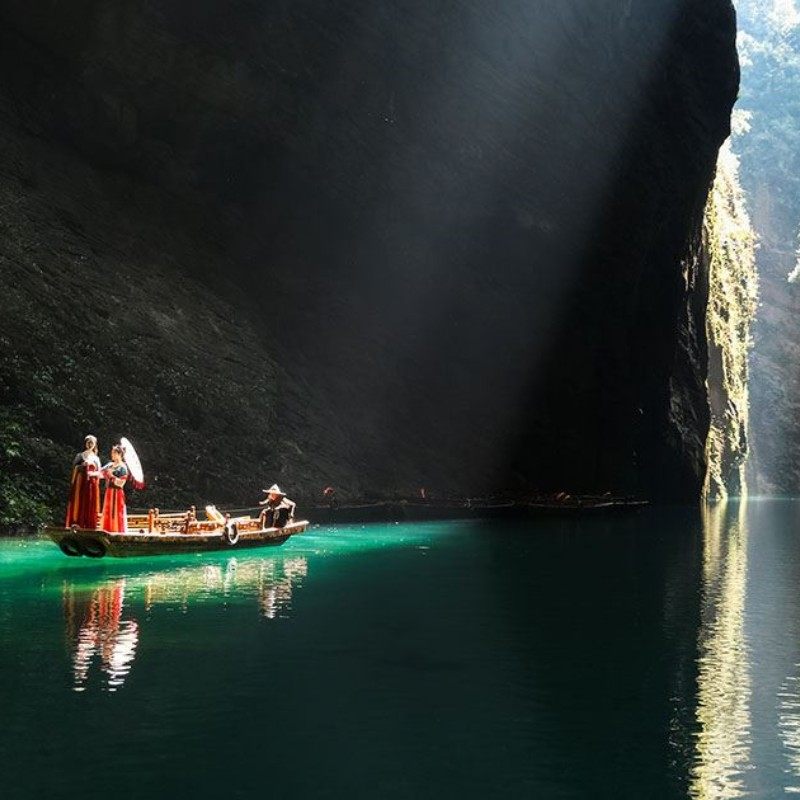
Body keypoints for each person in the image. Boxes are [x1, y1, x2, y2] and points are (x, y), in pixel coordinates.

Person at [65, 434, 102, 529]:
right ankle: (76, 522)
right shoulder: (80, 455)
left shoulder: (96, 458)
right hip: (80, 481)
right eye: (88, 442)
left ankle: (88, 524)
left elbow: (99, 472)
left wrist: (91, 469)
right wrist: (83, 466)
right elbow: (74, 468)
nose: (90, 444)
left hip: (91, 483)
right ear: (85, 444)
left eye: (92, 443)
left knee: (90, 501)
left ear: (95, 444)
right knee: (79, 500)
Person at [100, 444, 129, 533]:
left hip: (117, 492)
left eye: (114, 453)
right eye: (112, 453)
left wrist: (111, 476)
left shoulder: (123, 467)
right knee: (108, 511)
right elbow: (100, 473)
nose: (112, 455)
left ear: (119, 454)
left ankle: (116, 530)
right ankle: (107, 529)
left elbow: (121, 483)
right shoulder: (110, 465)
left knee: (117, 512)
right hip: (109, 491)